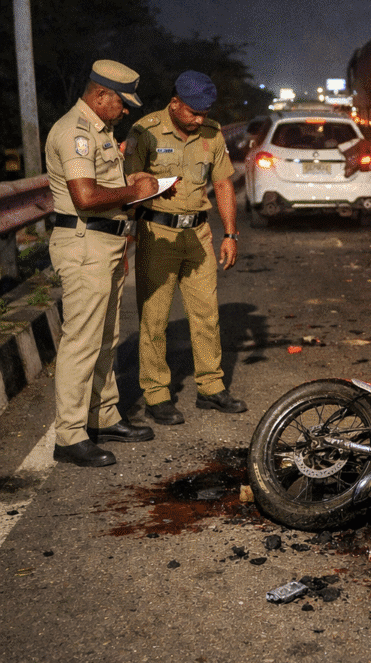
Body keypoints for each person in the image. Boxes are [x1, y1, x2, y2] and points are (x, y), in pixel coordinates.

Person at [45, 60, 159, 467]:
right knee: (82, 342)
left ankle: (103, 414)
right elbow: (86, 198)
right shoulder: (75, 132)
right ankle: (70, 435)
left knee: (107, 337)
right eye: (121, 102)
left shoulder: (101, 131)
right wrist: (135, 190)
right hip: (83, 244)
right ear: (100, 96)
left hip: (106, 243)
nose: (126, 110)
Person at [124, 71, 247, 424]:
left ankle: (211, 387)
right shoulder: (144, 130)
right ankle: (157, 394)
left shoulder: (211, 132)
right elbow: (129, 184)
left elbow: (223, 183)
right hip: (157, 234)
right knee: (155, 318)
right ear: (174, 103)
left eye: (204, 113)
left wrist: (231, 234)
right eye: (193, 112)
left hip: (198, 235)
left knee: (207, 314)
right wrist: (127, 237)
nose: (199, 120)